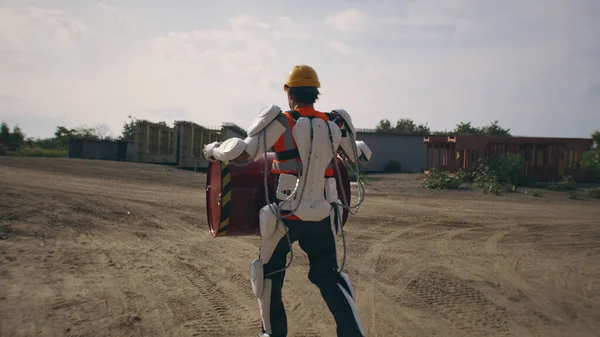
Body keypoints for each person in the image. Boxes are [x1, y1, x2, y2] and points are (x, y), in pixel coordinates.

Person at [203, 64, 372, 337]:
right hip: (323, 217)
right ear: (315, 93)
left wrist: (213, 151)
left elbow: (244, 153)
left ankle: (272, 334)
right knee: (330, 277)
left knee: (269, 278)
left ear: (290, 94)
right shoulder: (335, 123)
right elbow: (359, 156)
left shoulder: (282, 121)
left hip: (286, 215)